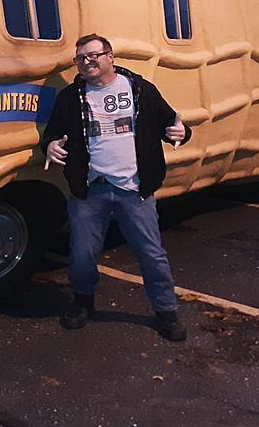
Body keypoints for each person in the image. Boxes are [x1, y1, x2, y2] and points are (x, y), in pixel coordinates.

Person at [41, 34, 191, 341]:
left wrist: (182, 131)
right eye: (81, 58)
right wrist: (51, 145)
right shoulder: (70, 97)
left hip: (134, 190)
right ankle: (83, 302)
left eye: (94, 55)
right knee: (82, 254)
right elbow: (53, 133)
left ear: (111, 57)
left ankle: (166, 312)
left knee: (151, 255)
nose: (87, 62)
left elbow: (170, 124)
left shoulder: (140, 89)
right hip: (90, 189)